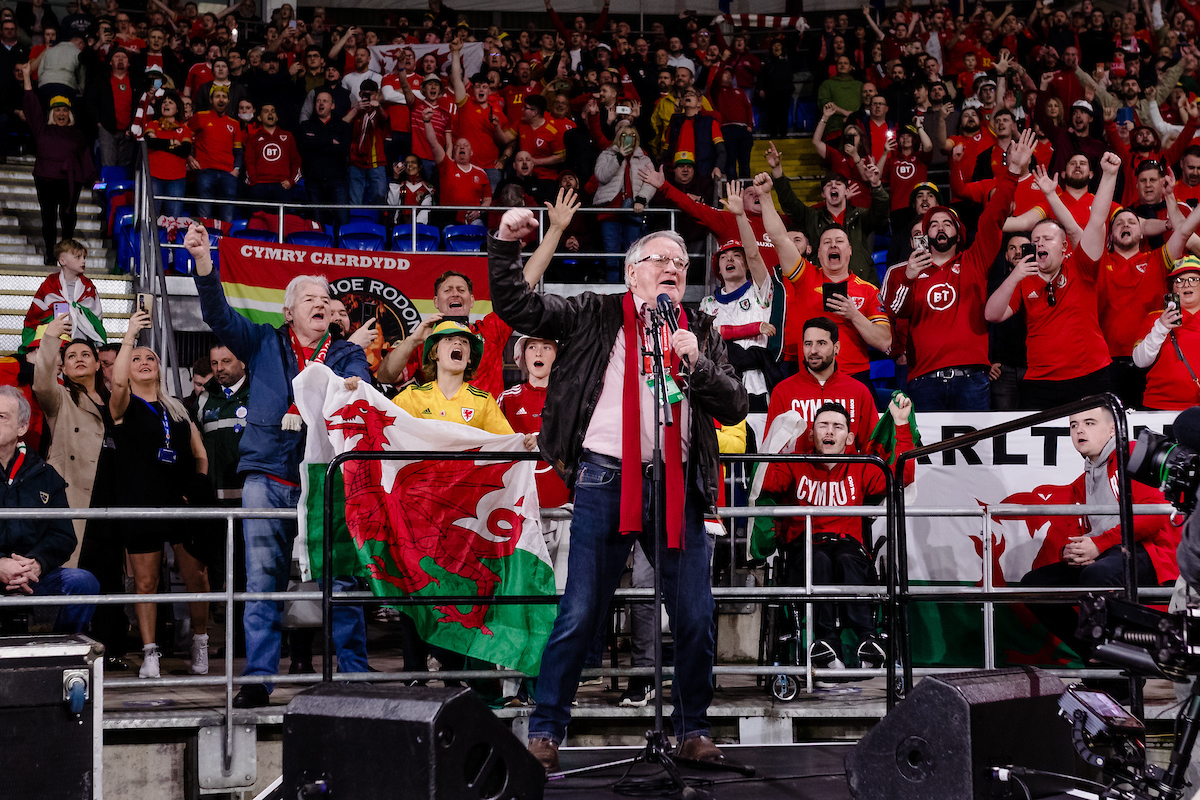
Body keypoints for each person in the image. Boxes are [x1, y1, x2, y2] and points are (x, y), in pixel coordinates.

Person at [489, 212, 749, 773]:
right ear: (633, 272)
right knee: (581, 611)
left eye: (682, 263)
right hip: (604, 477)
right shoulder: (594, 312)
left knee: (697, 616)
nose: (674, 269)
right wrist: (506, 247)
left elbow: (734, 403)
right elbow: (519, 308)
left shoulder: (699, 328)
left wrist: (694, 361)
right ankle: (547, 730)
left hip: (679, 485)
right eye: (661, 259)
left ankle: (692, 729)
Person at [184, 222, 370, 708]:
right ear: (289, 311)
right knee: (261, 581)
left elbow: (358, 392)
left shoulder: (348, 354)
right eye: (309, 296)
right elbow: (218, 315)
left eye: (325, 297)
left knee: (341, 579)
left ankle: (354, 676)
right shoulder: (263, 342)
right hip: (267, 476)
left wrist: (353, 389)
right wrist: (205, 262)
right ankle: (259, 679)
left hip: (326, 477)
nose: (319, 302)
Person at [880, 128, 1033, 411]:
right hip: (923, 381)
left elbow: (992, 218)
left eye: (947, 223)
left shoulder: (973, 259)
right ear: (924, 234)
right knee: (927, 457)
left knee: (977, 455)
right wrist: (910, 278)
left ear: (959, 233)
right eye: (933, 224)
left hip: (972, 380)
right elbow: (895, 311)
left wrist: (1012, 172)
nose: (940, 227)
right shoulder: (904, 270)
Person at [761, 395, 913, 672]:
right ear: (811, 433)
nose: (829, 431)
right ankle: (825, 643)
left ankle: (868, 639)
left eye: (837, 426)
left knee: (845, 559)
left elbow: (900, 479)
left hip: (849, 547)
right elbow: (768, 484)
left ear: (850, 437)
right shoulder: (795, 461)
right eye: (823, 425)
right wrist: (779, 444)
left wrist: (901, 426)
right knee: (818, 559)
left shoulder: (864, 464)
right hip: (804, 548)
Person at [1018, 406, 1180, 660]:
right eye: (1073, 425)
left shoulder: (1131, 455)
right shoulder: (1082, 480)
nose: (1079, 430)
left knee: (1098, 574)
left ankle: (1127, 664)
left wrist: (1100, 544)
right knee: (1034, 585)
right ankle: (1098, 659)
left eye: (1089, 423)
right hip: (1107, 555)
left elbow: (1154, 514)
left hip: (1146, 553)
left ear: (1113, 428)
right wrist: (1071, 551)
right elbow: (1072, 529)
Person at [109, 310, 212, 679]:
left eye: (150, 357)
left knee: (196, 576)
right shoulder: (122, 406)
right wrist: (129, 338)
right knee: (146, 581)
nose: (144, 362)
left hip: (181, 502)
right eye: (136, 359)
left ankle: (200, 643)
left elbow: (200, 453)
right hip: (140, 502)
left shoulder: (179, 407)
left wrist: (198, 484)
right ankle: (150, 651)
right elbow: (118, 386)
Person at [0, 385, 98, 634]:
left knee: (82, 582)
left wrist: (36, 564)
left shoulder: (45, 475)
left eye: (1, 417)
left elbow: (63, 535)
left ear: (22, 427)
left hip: (32, 574)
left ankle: (64, 651)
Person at [32, 312, 106, 570]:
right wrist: (51, 336)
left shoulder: (115, 402)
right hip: (75, 498)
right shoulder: (60, 398)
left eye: (86, 354)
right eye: (71, 356)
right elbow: (41, 384)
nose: (79, 359)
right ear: (62, 367)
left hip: (110, 497)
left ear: (98, 364)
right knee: (74, 576)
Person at [19, 63, 94, 265]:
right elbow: (31, 105)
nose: (61, 114)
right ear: (52, 112)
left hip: (71, 180)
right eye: (57, 110)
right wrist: (27, 76)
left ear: (69, 113)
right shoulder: (43, 129)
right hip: (46, 178)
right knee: (49, 217)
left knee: (68, 218)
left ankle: (67, 254)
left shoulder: (77, 133)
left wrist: (94, 181)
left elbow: (86, 158)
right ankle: (51, 253)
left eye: (64, 110)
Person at [765, 317, 879, 449]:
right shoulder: (783, 391)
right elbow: (771, 450)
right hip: (797, 469)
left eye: (821, 343)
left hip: (847, 470)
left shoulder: (859, 391)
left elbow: (873, 448)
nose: (813, 350)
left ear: (836, 348)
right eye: (808, 344)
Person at [1134, 257, 1200, 410]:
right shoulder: (1156, 318)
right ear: (1172, 289)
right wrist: (1161, 327)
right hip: (1159, 407)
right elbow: (1140, 360)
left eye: (1193, 279)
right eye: (1179, 281)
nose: (1186, 284)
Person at [19, 238, 104, 354]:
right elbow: (37, 312)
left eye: (84, 257)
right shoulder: (50, 284)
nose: (83, 261)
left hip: (82, 339)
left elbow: (95, 316)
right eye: (78, 257)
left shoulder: (88, 286)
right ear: (62, 261)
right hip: (55, 341)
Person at [187, 85, 243, 222]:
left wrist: (236, 170)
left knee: (227, 216)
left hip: (228, 174)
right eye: (217, 96)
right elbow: (185, 137)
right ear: (211, 100)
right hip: (205, 170)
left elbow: (238, 151)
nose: (221, 99)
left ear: (228, 101)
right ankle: (203, 243)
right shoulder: (200, 117)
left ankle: (226, 243)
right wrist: (189, 157)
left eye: (224, 97)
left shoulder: (234, 123)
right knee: (204, 214)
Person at [298, 89, 351, 227]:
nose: (320, 104)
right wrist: (330, 141)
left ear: (332, 105)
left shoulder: (343, 126)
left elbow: (343, 150)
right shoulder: (306, 125)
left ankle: (341, 249)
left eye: (324, 101)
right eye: (318, 101)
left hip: (337, 180)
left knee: (342, 221)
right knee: (318, 223)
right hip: (314, 180)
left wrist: (316, 142)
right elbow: (306, 145)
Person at [142, 91, 191, 218]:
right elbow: (151, 142)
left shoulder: (185, 129)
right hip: (154, 176)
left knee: (173, 221)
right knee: (150, 217)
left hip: (176, 178)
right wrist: (172, 142)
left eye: (170, 102)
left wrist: (161, 143)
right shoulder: (152, 124)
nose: (166, 104)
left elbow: (185, 150)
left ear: (177, 107)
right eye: (164, 102)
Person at [243, 101, 301, 207]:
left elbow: (296, 161)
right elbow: (249, 161)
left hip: (282, 186)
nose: (270, 114)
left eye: (273, 111)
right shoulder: (253, 138)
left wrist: (291, 181)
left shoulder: (288, 136)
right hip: (260, 186)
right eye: (266, 111)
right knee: (258, 221)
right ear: (259, 118)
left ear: (277, 117)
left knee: (282, 222)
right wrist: (255, 182)